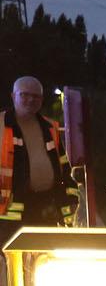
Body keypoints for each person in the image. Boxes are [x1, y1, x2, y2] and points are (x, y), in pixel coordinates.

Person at [1, 77, 80, 239]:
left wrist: (69, 198)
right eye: (24, 94)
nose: (30, 99)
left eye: (36, 96)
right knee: (12, 260)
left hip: (45, 208)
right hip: (8, 215)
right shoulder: (1, 124)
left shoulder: (49, 127)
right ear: (13, 96)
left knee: (42, 258)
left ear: (42, 100)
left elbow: (63, 167)